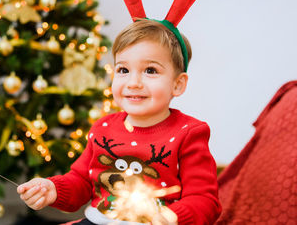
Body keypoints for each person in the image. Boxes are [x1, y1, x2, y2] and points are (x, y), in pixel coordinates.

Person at [17, 19, 221, 225]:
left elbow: (204, 200)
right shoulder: (103, 128)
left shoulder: (189, 132)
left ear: (177, 84)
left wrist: (171, 217)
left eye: (150, 70)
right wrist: (53, 189)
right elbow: (82, 180)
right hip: (100, 220)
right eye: (123, 70)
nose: (133, 83)